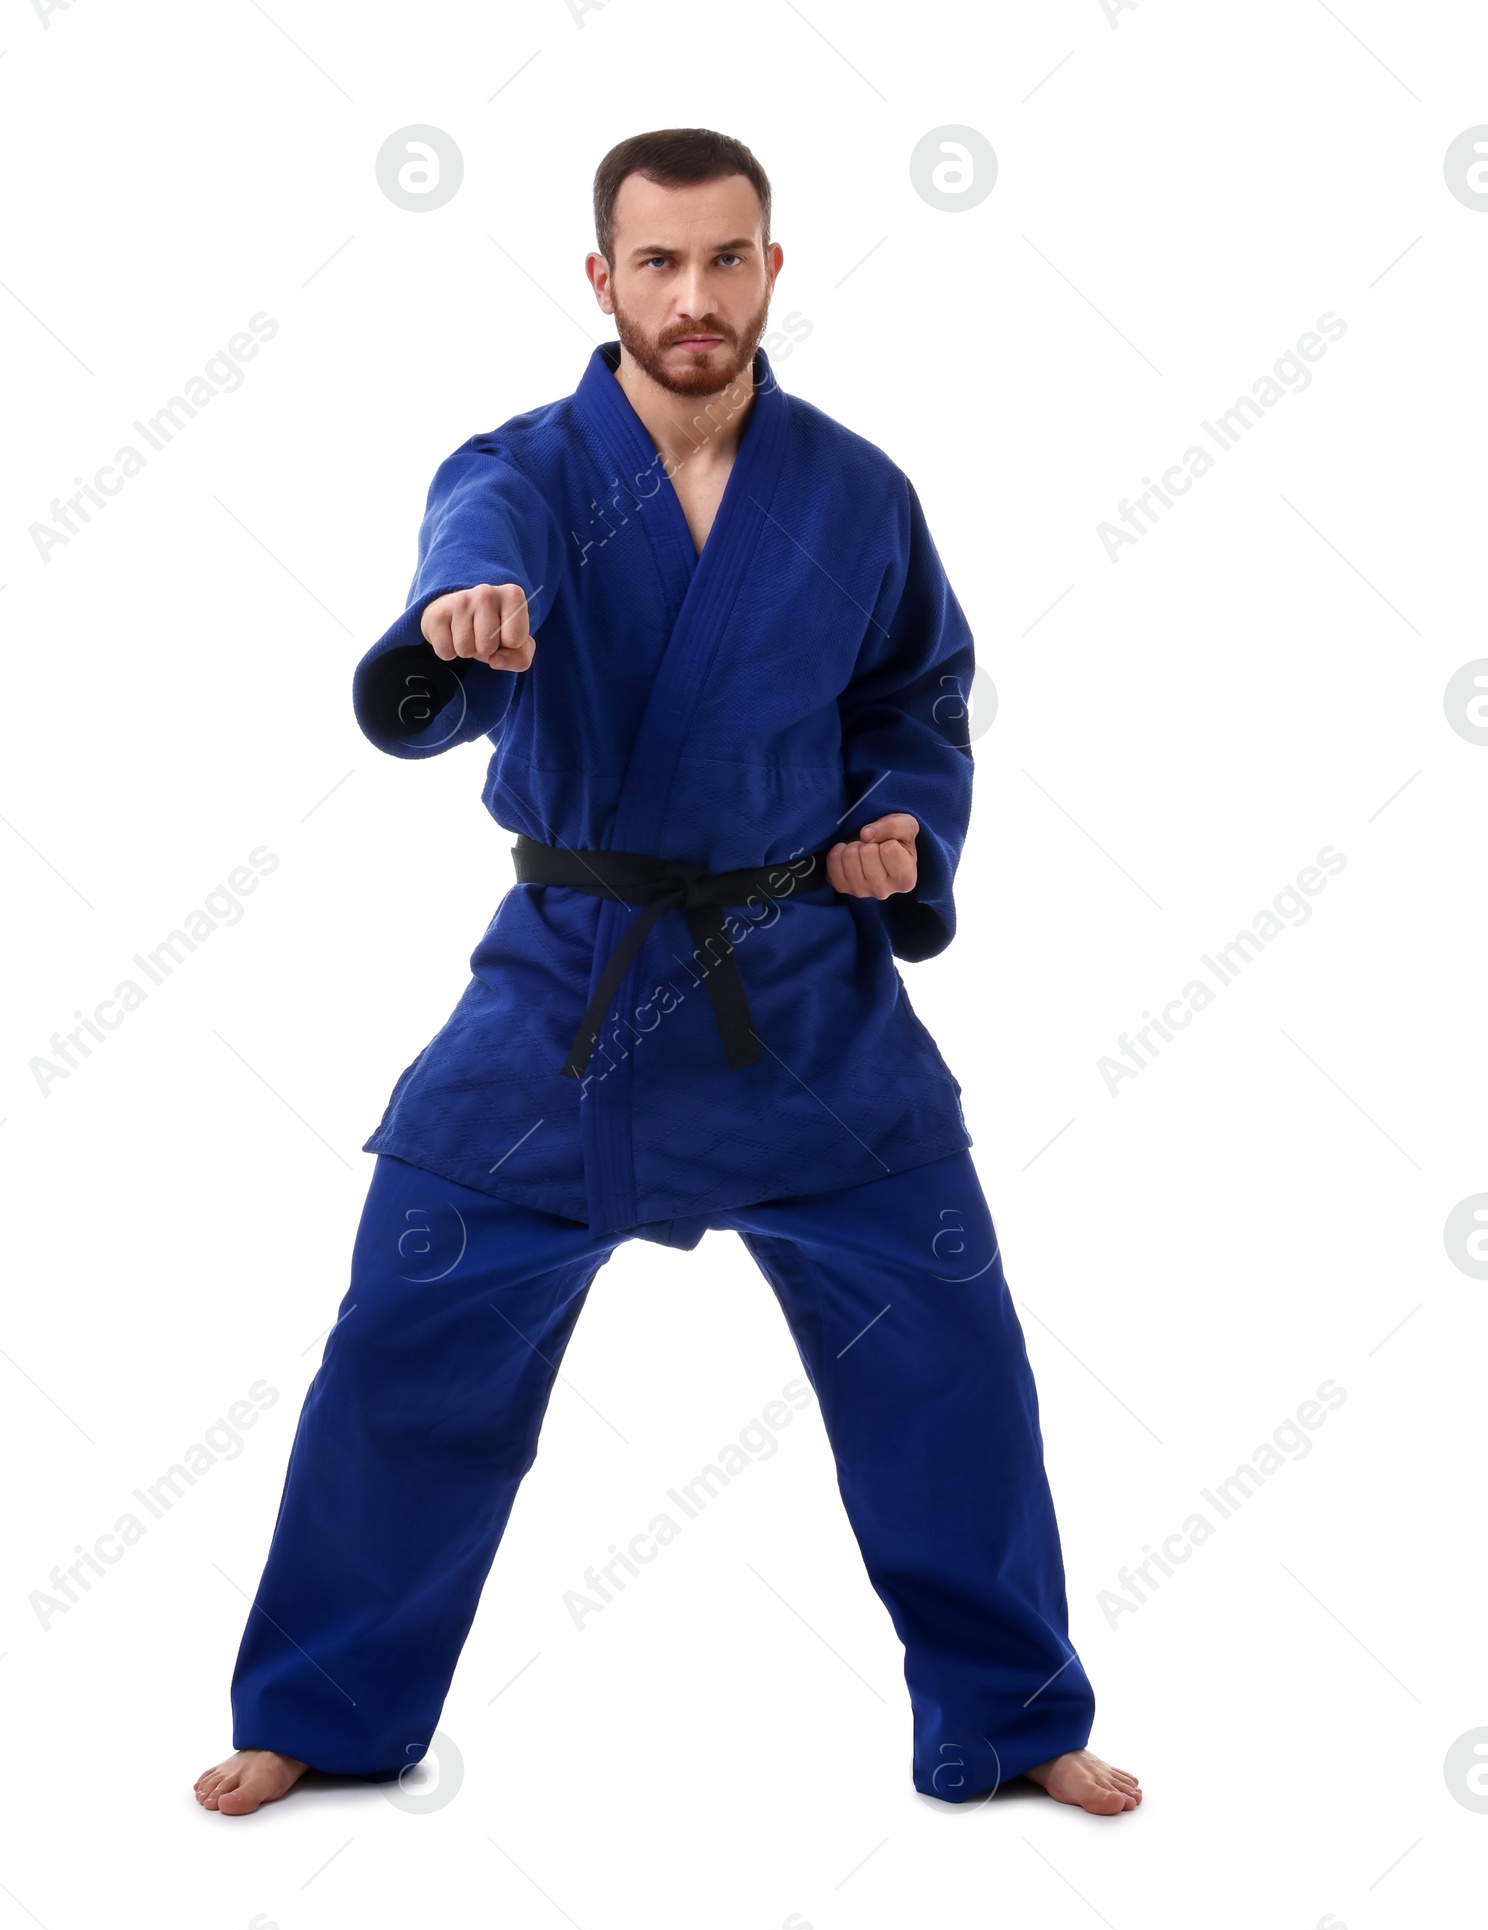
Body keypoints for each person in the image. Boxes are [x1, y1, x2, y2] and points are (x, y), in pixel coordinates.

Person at [194, 127, 1141, 1819]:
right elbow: (464, 579)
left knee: (948, 1344)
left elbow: (913, 702)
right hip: (570, 985)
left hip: (804, 994)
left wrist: (901, 832)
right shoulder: (522, 475)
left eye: (727, 259)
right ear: (602, 278)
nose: (694, 296)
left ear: (773, 267)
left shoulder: (856, 491)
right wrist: (458, 623)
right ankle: (325, 1713)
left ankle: (1008, 1719)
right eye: (658, 263)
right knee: (405, 1332)